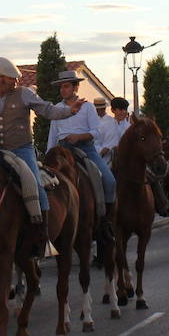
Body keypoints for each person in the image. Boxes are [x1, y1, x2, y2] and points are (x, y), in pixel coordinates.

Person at [0, 56, 84, 255]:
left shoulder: (24, 94)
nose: (16, 82)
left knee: (35, 185)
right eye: (12, 79)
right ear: (0, 78)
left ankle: (42, 235)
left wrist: (69, 111)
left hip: (22, 149)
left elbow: (47, 110)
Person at [47, 69, 117, 226]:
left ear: (75, 87)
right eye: (61, 87)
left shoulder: (88, 108)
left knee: (109, 181)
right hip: (61, 150)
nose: (63, 90)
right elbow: (52, 136)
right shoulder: (57, 108)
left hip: (86, 149)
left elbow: (97, 132)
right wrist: (47, 156)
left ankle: (107, 221)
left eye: (66, 86)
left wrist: (79, 136)